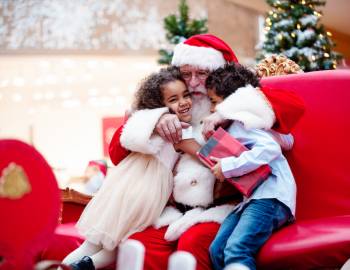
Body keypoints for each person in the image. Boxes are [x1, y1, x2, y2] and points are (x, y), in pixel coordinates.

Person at [108, 34, 305, 270]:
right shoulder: (170, 103)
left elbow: (289, 118)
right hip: (175, 210)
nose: (192, 83)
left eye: (201, 74)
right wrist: (154, 119)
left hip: (225, 206)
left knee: (195, 243)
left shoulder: (238, 104)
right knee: (140, 243)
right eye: (185, 74)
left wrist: (228, 111)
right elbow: (117, 155)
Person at [62, 66, 193, 269]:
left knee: (101, 242)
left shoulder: (146, 124)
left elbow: (132, 119)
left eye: (186, 95)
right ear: (160, 106)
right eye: (173, 99)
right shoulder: (178, 128)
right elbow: (198, 152)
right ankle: (85, 265)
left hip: (122, 186)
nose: (183, 102)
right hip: (146, 192)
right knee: (117, 242)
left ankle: (73, 266)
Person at [207, 63, 296, 270]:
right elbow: (286, 140)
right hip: (253, 199)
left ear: (230, 103)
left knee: (237, 248)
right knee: (217, 250)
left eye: (214, 102)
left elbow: (270, 148)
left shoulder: (243, 123)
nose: (211, 109)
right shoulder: (246, 124)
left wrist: (228, 166)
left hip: (271, 198)